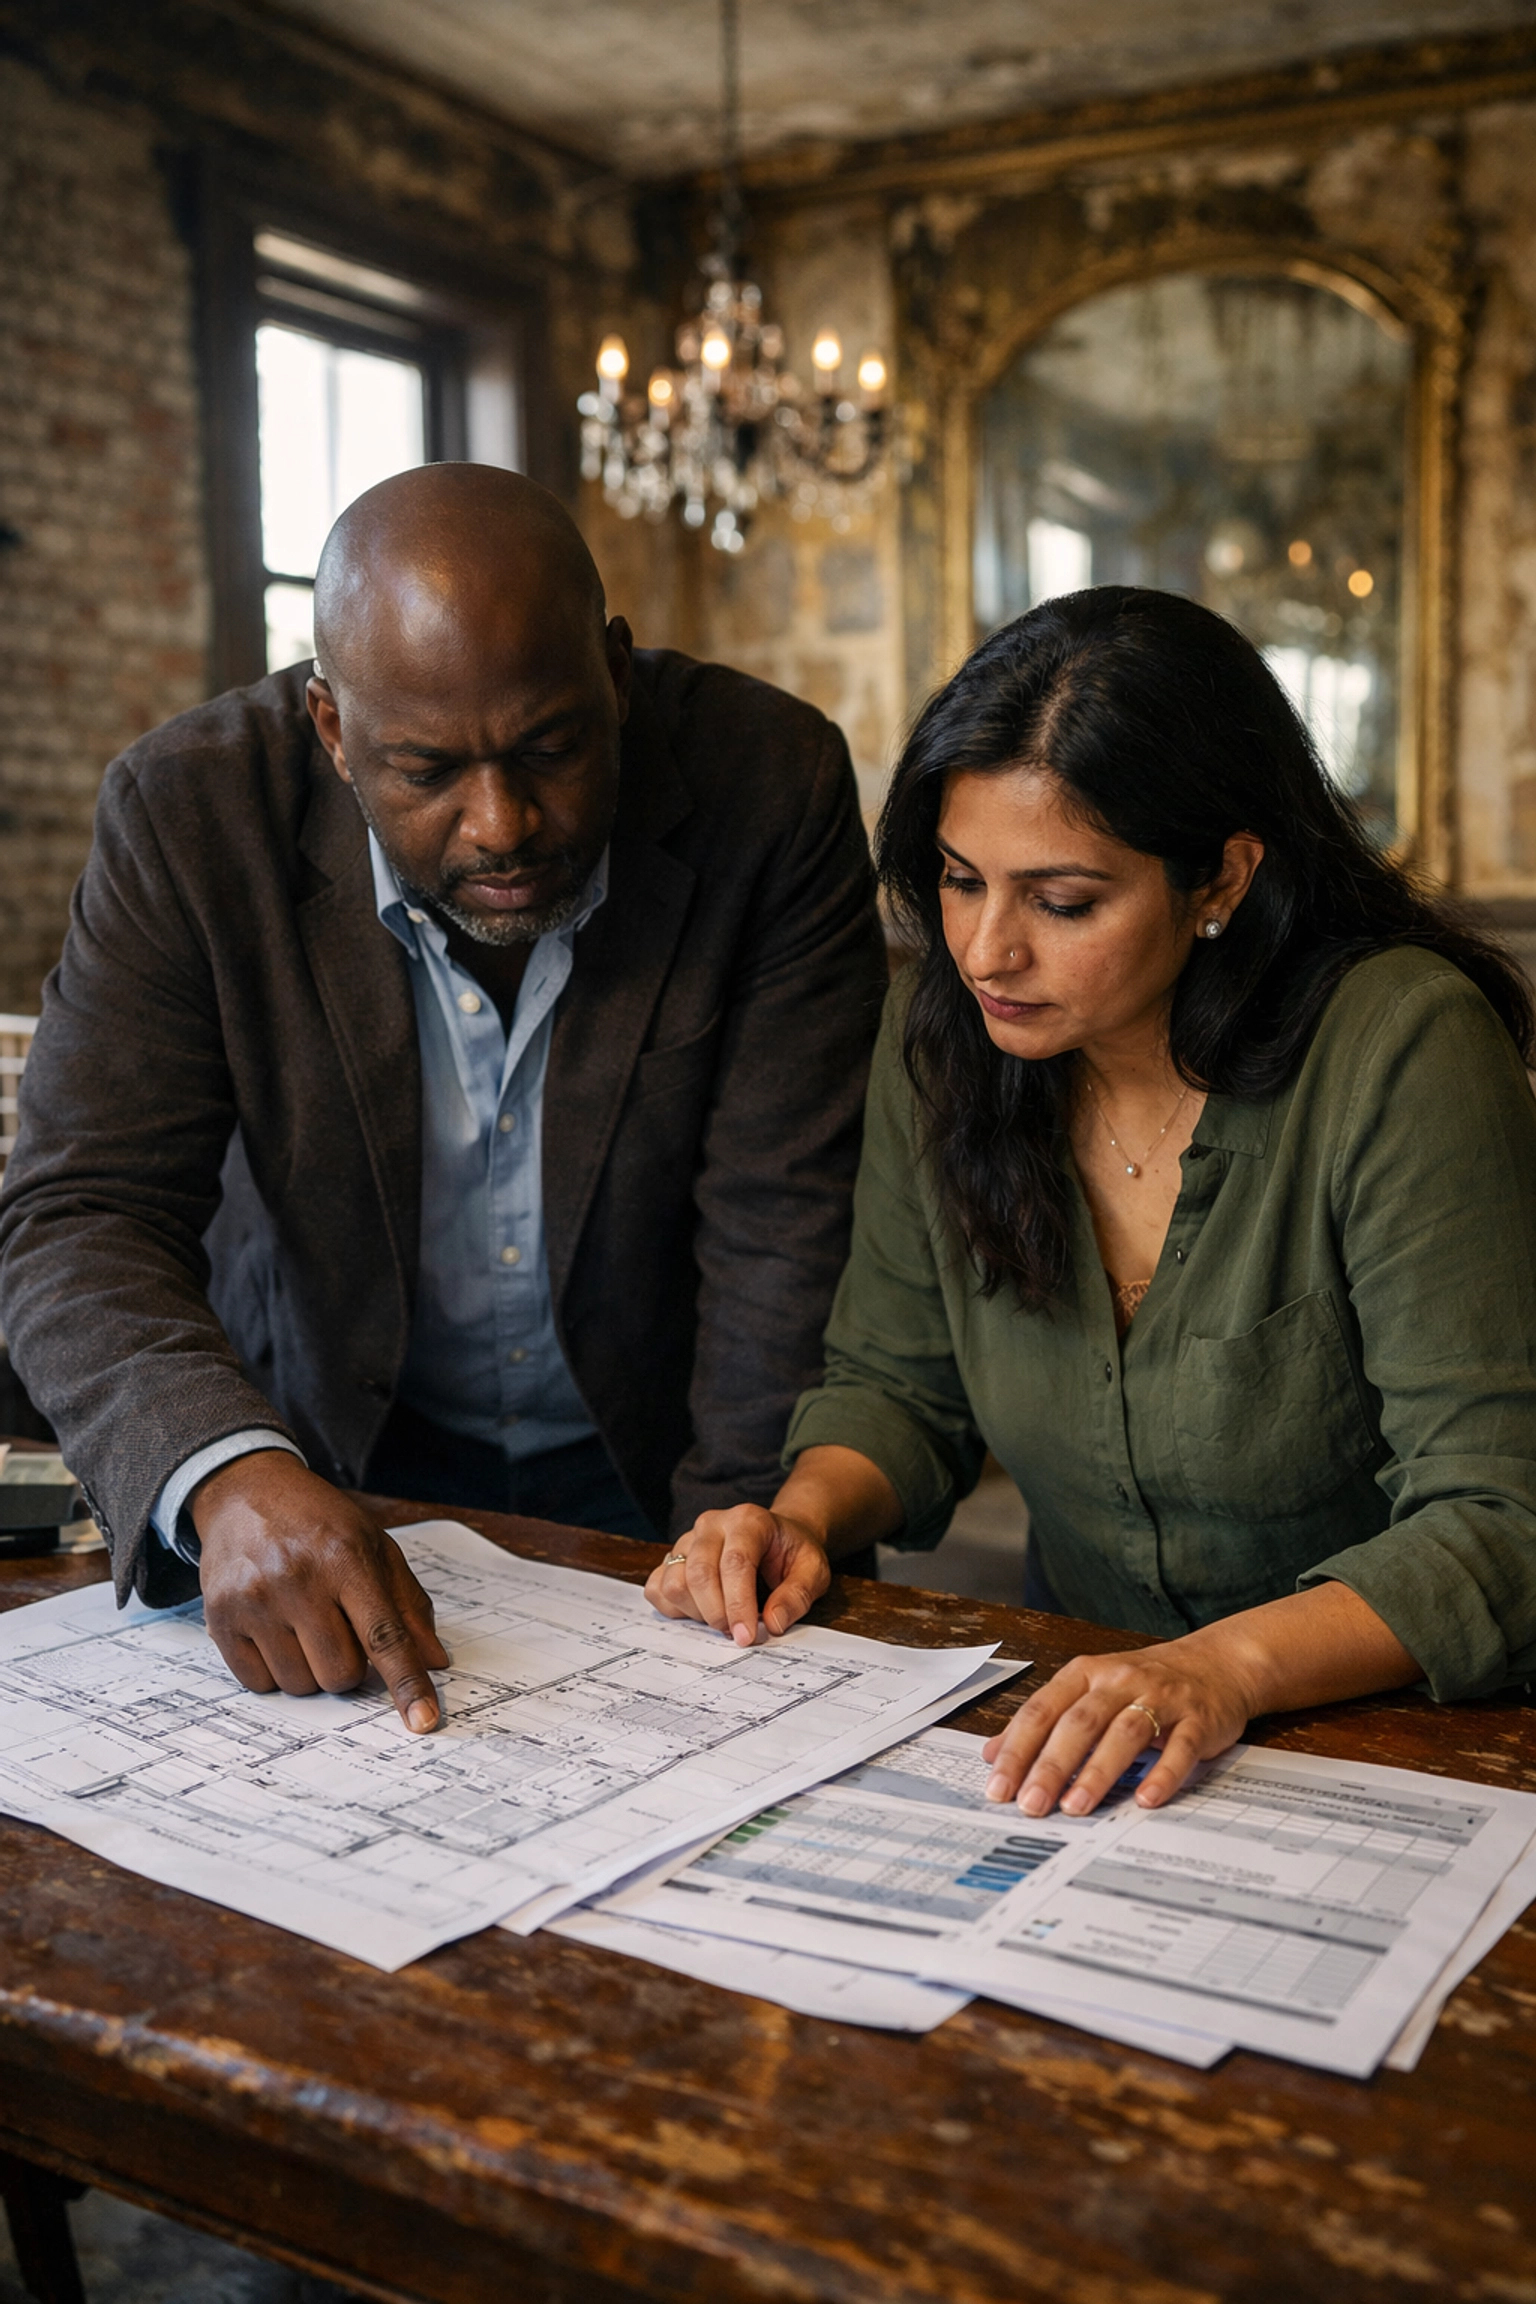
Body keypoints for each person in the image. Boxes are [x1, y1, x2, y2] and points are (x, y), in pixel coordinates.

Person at [0, 464, 886, 1733]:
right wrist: (230, 1475)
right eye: (427, 772)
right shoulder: (189, 815)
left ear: (616, 680)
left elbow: (783, 1219)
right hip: (332, 1472)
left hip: (670, 1474)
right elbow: (82, 1212)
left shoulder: (767, 784)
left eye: (552, 749)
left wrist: (741, 1539)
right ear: (332, 731)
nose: (502, 824)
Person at [645, 585, 1536, 1818]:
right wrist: (799, 1518)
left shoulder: (1397, 1048)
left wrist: (1220, 1666)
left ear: (1220, 877)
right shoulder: (945, 1039)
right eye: (961, 881)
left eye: (1063, 903)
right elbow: (899, 1383)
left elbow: (1500, 1514)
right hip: (1097, 1741)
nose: (987, 951)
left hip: (1408, 1744)